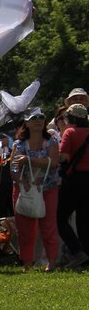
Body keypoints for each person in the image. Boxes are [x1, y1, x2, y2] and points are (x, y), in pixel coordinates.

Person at [10, 107, 60, 272]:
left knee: (48, 226)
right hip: (24, 189)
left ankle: (51, 262)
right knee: (25, 229)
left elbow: (53, 162)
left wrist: (29, 159)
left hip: (48, 188)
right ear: (26, 123)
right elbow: (14, 168)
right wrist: (21, 181)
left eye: (41, 117)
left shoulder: (52, 141)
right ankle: (27, 264)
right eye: (34, 118)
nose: (38, 120)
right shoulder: (19, 144)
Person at [57, 103, 89, 269]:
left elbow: (62, 157)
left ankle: (77, 252)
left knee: (60, 218)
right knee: (85, 220)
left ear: (71, 118)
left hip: (75, 179)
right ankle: (86, 255)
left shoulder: (70, 132)